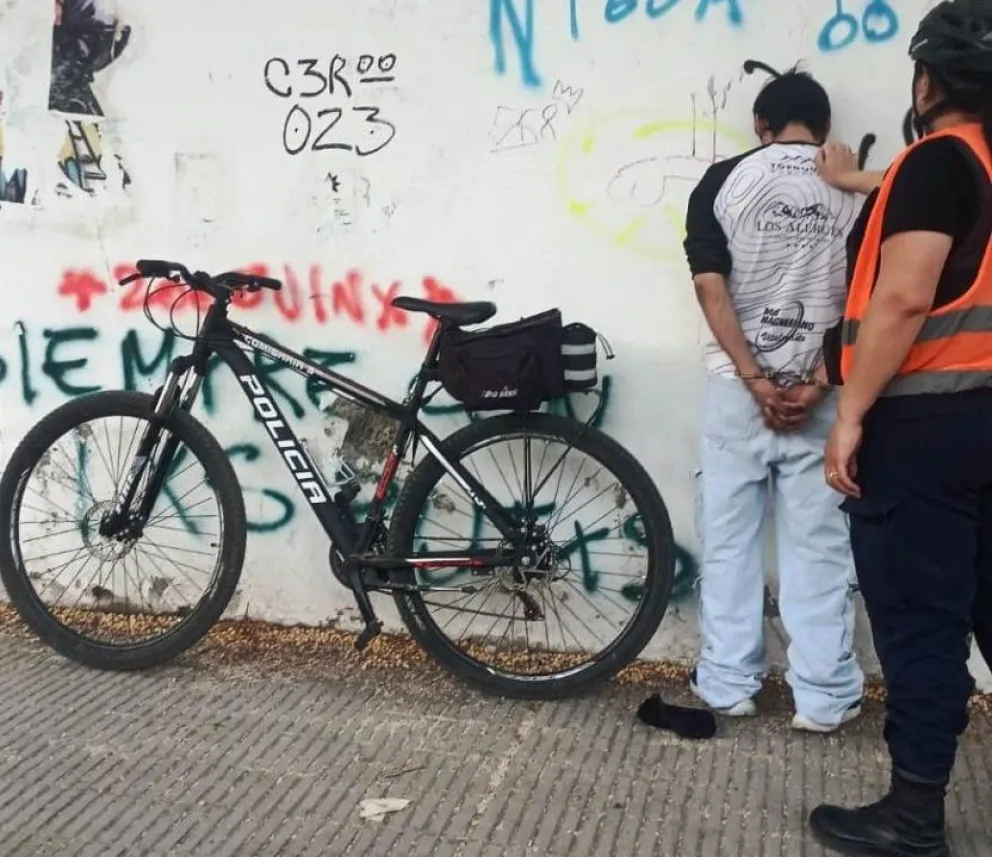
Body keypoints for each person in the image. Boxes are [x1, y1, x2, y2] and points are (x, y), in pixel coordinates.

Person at [809, 2, 992, 854]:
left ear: (928, 80)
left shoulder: (934, 162)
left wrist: (849, 414)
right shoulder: (981, 168)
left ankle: (915, 814)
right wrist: (853, 181)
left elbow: (907, 293)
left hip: (926, 429)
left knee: (922, 622)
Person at [682, 69, 865, 734]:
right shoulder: (855, 191)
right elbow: (866, 301)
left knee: (729, 540)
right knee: (818, 546)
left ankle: (729, 684)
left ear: (761, 125)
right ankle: (823, 698)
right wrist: (817, 378)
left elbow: (710, 286)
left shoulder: (723, 181)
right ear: (823, 129)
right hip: (823, 394)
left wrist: (755, 378)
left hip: (739, 392)